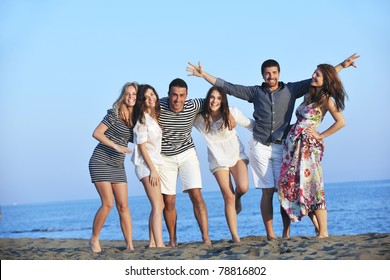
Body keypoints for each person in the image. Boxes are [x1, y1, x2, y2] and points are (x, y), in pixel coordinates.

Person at [187, 53, 359, 240]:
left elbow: (322, 76)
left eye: (274, 73)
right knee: (267, 191)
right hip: (260, 146)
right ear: (263, 76)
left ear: (279, 73)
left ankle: (287, 232)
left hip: (284, 147)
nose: (271, 77)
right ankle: (271, 234)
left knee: (284, 190)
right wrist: (204, 75)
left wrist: (342, 65)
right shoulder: (255, 92)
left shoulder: (292, 89)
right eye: (267, 74)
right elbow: (229, 87)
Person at [278, 64, 348, 238]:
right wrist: (342, 65)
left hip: (308, 148)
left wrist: (320, 135)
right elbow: (328, 75)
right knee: (292, 187)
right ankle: (311, 229)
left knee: (314, 187)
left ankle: (323, 232)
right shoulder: (309, 94)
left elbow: (341, 122)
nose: (313, 75)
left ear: (324, 80)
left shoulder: (325, 99)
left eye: (317, 74)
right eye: (314, 72)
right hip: (292, 148)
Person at [193, 86, 254, 243]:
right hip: (217, 158)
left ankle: (238, 198)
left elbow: (250, 125)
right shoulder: (199, 118)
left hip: (235, 153)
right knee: (228, 197)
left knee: (243, 187)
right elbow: (182, 114)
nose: (215, 101)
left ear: (223, 101)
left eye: (219, 98)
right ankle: (235, 237)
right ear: (208, 99)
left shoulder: (231, 112)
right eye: (212, 97)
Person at [159, 78, 211, 247]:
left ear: (187, 95)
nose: (178, 100)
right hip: (165, 157)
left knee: (196, 195)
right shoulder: (158, 106)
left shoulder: (193, 105)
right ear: (168, 95)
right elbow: (136, 107)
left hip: (187, 153)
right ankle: (173, 240)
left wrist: (229, 116)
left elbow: (217, 100)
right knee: (169, 201)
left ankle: (206, 238)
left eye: (181, 95)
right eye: (174, 95)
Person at [88, 82, 138, 253]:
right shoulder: (115, 113)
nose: (131, 97)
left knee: (123, 206)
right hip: (100, 160)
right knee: (108, 203)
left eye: (134, 94)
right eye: (128, 93)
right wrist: (116, 146)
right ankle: (94, 239)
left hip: (118, 165)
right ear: (124, 95)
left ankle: (130, 245)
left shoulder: (137, 119)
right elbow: (96, 133)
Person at [131, 84, 166, 248]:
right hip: (146, 165)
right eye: (146, 97)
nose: (150, 98)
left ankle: (152, 242)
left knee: (159, 204)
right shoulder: (142, 120)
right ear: (142, 101)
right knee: (158, 205)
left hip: (154, 163)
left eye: (152, 94)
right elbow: (141, 147)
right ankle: (159, 244)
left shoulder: (154, 116)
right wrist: (152, 170)